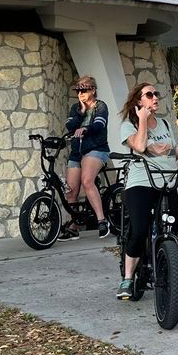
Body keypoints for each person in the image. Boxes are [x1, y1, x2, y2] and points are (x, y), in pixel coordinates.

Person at [116, 83, 178, 303]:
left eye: (156, 94)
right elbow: (140, 147)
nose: (155, 97)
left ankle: (175, 288)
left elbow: (172, 157)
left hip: (166, 182)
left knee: (171, 235)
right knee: (139, 229)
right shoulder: (129, 125)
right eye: (149, 95)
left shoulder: (166, 124)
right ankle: (128, 279)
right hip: (141, 182)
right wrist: (141, 120)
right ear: (139, 101)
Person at [60, 75, 110, 240]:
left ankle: (102, 221)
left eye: (84, 90)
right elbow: (70, 125)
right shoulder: (76, 108)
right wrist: (81, 113)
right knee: (71, 191)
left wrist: (85, 129)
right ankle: (73, 226)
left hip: (96, 148)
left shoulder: (100, 106)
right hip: (77, 151)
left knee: (87, 181)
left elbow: (99, 125)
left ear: (93, 90)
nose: (80, 93)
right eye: (78, 90)